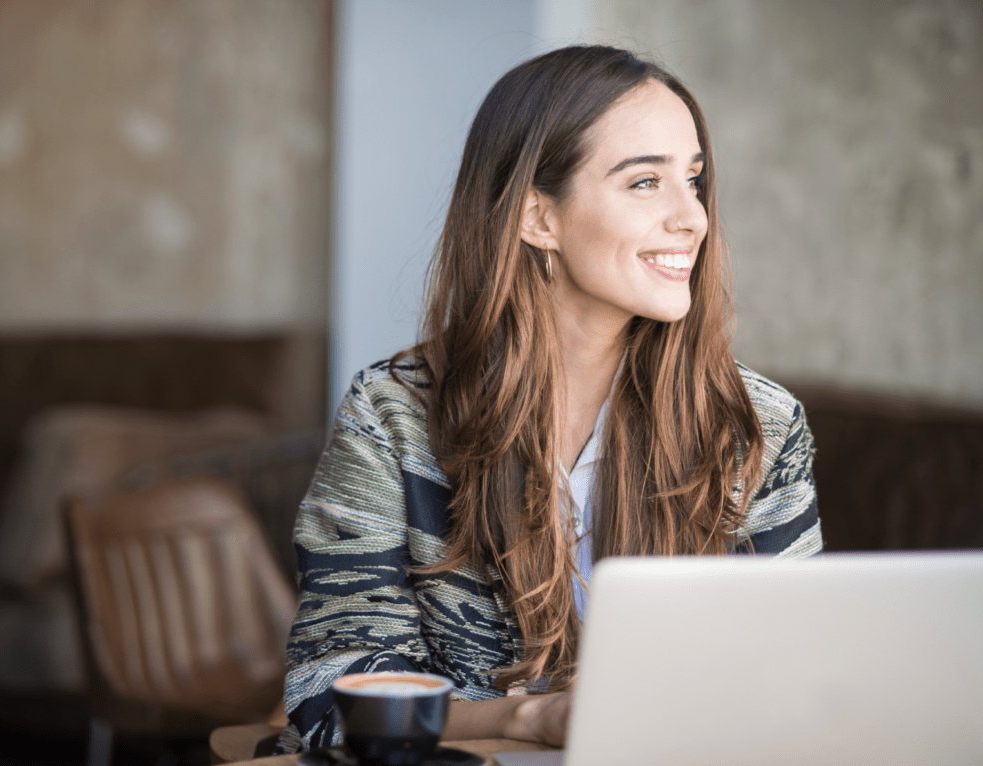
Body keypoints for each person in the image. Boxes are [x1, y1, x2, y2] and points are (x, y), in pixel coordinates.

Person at [276, 45, 822, 754]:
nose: (693, 218)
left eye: (694, 179)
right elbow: (333, 693)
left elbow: (797, 678)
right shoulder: (393, 420)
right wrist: (531, 717)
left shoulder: (758, 427)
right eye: (645, 183)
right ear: (538, 217)